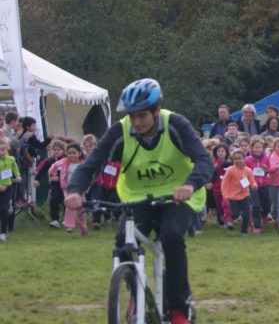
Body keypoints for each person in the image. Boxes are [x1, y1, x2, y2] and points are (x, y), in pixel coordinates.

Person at [64, 78, 213, 324]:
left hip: (177, 196)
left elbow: (203, 160)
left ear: (156, 110)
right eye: (132, 116)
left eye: (142, 115)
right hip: (137, 198)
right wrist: (75, 191)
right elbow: (90, 164)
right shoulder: (120, 131)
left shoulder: (175, 124)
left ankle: (179, 307)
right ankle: (135, 292)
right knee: (124, 240)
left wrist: (190, 184)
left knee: (172, 237)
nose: (136, 122)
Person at [220, 150, 259, 236]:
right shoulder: (230, 170)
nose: (238, 161)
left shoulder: (248, 170)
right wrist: (225, 194)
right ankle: (232, 216)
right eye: (235, 159)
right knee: (235, 215)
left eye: (240, 158)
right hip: (233, 196)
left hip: (245, 195)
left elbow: (252, 181)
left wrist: (254, 186)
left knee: (246, 214)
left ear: (244, 159)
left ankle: (244, 232)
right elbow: (224, 182)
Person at [0, 138, 19, 242]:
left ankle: (3, 233)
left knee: (3, 209)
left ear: (7, 150)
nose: (1, 152)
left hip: (7, 187)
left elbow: (15, 168)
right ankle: (8, 205)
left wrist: (18, 176)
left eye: (3, 150)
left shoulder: (11, 159)